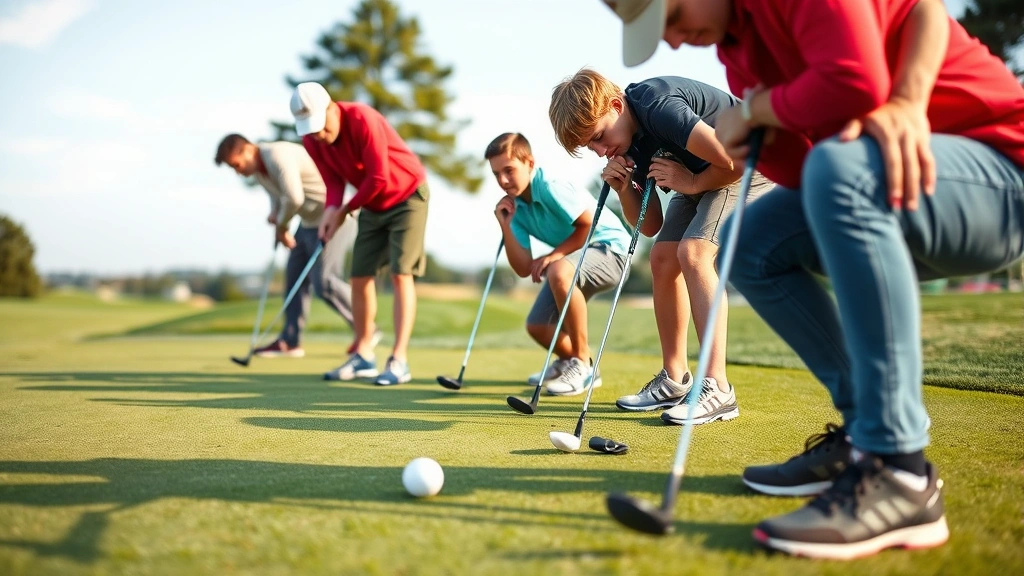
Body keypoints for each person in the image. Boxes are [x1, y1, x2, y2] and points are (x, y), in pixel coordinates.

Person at [601, 0, 1024, 559]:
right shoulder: (739, 54)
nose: (674, 42)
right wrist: (760, 137)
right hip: (899, 182)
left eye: (673, 17)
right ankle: (862, 436)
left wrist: (758, 108)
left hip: (997, 171)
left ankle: (900, 470)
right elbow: (810, 175)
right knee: (752, 247)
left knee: (833, 174)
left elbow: (855, 83)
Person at [549, 69, 772, 423]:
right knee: (664, 258)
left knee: (694, 252)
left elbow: (735, 160)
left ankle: (718, 387)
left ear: (616, 105)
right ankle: (674, 379)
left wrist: (694, 181)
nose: (600, 151)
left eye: (599, 137)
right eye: (591, 147)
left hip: (750, 160)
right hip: (700, 174)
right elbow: (650, 225)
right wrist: (625, 189)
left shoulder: (658, 106)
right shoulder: (630, 140)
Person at [290, 82, 431, 386]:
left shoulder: (362, 118)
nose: (318, 135)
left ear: (331, 107)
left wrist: (343, 212)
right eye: (310, 130)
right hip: (372, 204)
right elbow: (334, 182)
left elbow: (378, 177)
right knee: (360, 275)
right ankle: (364, 354)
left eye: (320, 126)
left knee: (400, 273)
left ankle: (399, 359)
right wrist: (331, 210)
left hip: (407, 194)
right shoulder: (312, 139)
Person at [485, 132, 631, 395]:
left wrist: (554, 256)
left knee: (558, 268)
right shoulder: (515, 209)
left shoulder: (551, 185)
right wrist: (505, 225)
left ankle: (581, 365)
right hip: (575, 262)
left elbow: (588, 226)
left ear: (529, 163)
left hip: (613, 251)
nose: (503, 180)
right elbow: (522, 267)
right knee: (539, 325)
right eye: (496, 174)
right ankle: (572, 362)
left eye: (509, 170)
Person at [214, 134, 363, 358]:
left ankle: (365, 328)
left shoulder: (276, 155)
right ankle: (290, 341)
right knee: (294, 276)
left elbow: (294, 198)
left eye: (237, 165)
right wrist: (275, 215)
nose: (237, 171)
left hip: (336, 216)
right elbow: (278, 197)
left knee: (323, 282)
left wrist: (282, 226)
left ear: (248, 150)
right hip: (308, 222)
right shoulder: (259, 170)